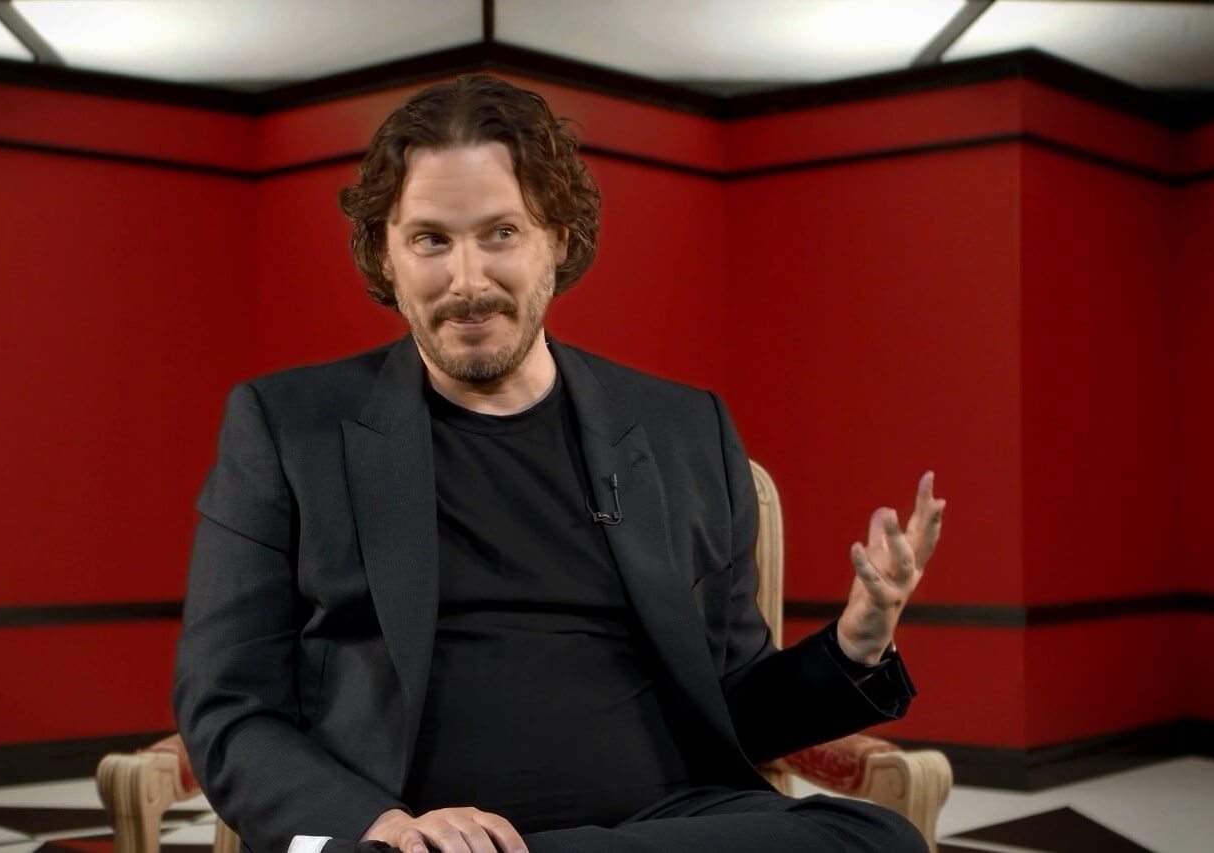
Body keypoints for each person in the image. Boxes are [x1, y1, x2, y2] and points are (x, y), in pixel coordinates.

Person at [173, 73, 946, 853]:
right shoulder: (287, 427)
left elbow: (734, 709)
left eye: (500, 233)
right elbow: (228, 705)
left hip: (666, 823)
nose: (467, 281)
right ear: (387, 254)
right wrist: (383, 827)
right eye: (431, 239)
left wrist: (853, 645)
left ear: (559, 240)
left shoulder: (685, 430)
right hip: (414, 838)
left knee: (878, 839)